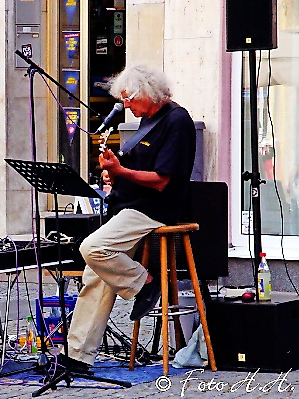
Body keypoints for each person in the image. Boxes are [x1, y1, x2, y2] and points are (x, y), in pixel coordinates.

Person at [59, 63, 196, 371]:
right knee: (96, 274)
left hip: (154, 209)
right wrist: (114, 173)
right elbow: (135, 171)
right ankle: (77, 355)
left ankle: (144, 282)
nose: (127, 106)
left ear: (147, 93)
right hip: (130, 206)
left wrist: (121, 172)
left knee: (92, 249)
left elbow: (162, 179)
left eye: (130, 99)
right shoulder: (149, 121)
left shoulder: (177, 121)